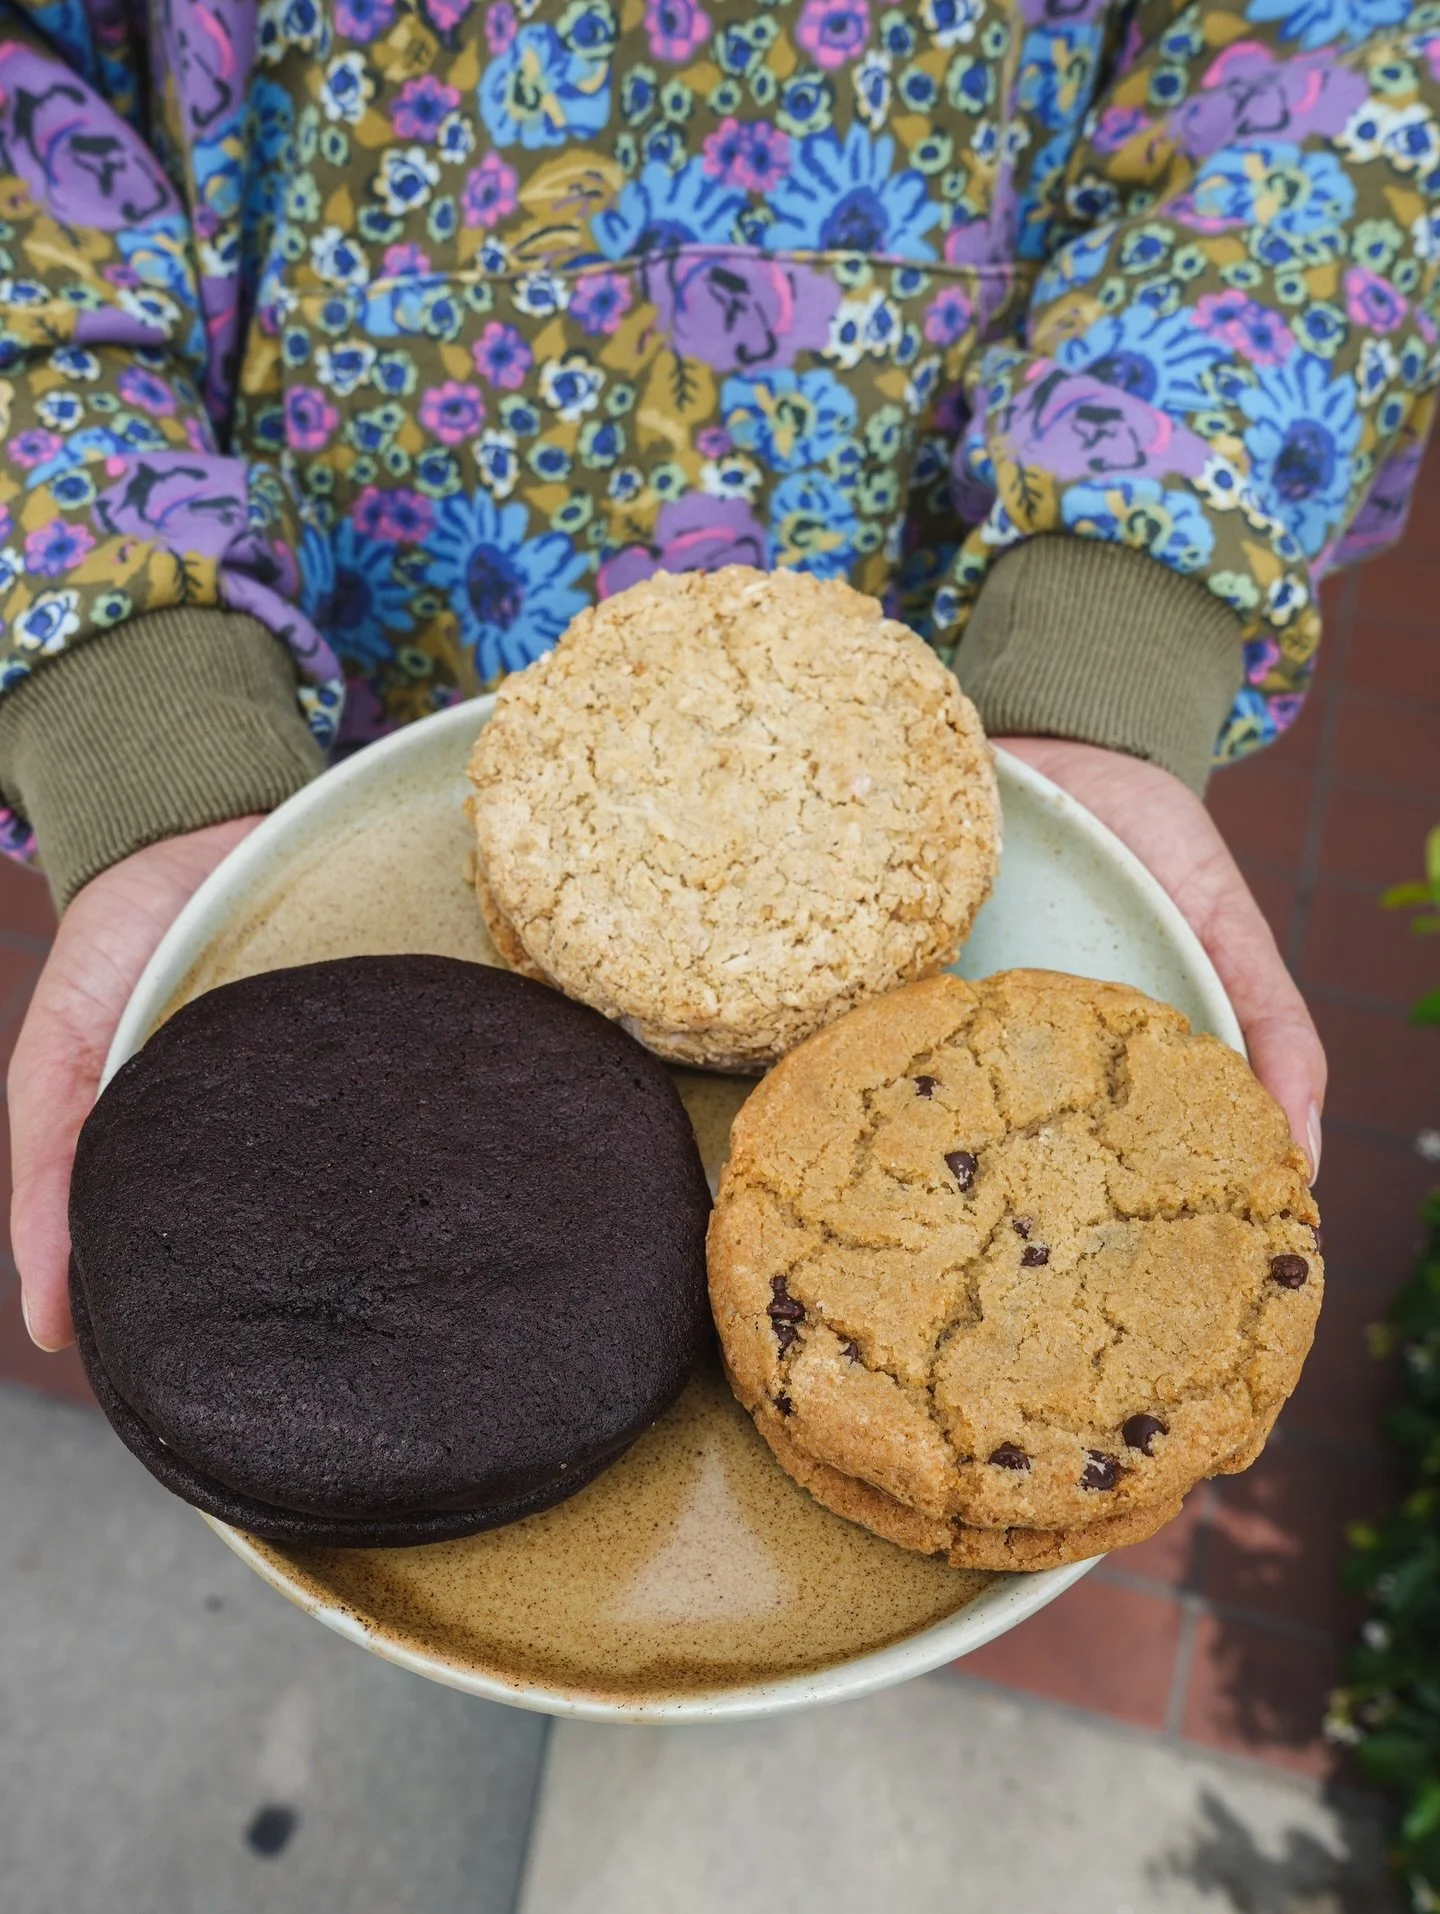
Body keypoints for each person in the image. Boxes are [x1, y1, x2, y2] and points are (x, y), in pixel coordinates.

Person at [10, 0, 1420, 1352]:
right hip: (316, 698)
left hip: (957, 695)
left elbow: (1335, 55)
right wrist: (140, 699)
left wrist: (1103, 637)